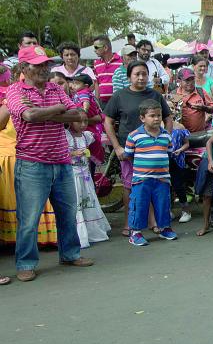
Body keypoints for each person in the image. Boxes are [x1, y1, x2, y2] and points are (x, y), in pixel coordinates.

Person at [5, 45, 93, 281]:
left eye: (45, 64)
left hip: (62, 160)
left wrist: (45, 111)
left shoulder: (55, 87)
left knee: (67, 213)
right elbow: (29, 116)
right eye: (38, 64)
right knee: (29, 218)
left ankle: (70, 254)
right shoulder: (14, 90)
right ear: (24, 67)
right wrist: (58, 108)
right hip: (32, 163)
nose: (44, 68)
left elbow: (78, 115)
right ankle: (25, 264)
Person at [104, 60, 173, 237]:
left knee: (154, 185)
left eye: (144, 73)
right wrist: (117, 147)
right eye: (137, 74)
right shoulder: (119, 96)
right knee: (131, 186)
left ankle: (153, 222)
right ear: (129, 77)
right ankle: (130, 222)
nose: (141, 77)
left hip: (153, 149)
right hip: (129, 150)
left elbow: (168, 118)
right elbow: (108, 122)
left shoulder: (155, 95)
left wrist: (166, 139)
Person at [0, 86, 58, 254]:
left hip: (44, 155)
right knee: (27, 210)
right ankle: (25, 258)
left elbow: (76, 116)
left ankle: (46, 242)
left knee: (36, 206)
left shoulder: (50, 98)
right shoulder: (9, 104)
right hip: (14, 157)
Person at [123, 100, 177, 246]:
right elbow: (128, 155)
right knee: (139, 205)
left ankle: (165, 228)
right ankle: (135, 233)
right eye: (152, 116)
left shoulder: (166, 135)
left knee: (163, 204)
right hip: (141, 179)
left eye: (159, 115)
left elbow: (169, 152)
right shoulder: (134, 136)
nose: (156, 119)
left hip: (162, 179)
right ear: (142, 118)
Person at [66, 117, 111, 247]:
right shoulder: (66, 136)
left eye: (85, 121)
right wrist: (73, 153)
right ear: (70, 121)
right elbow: (61, 153)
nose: (83, 124)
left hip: (85, 176)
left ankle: (92, 231)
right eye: (79, 121)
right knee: (77, 203)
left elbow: (96, 146)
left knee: (88, 202)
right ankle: (79, 235)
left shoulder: (87, 136)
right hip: (74, 177)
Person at [68, 73, 105, 167]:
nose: (73, 85)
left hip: (87, 118)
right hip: (88, 121)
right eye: (73, 83)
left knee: (91, 139)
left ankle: (96, 158)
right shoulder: (82, 92)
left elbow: (86, 103)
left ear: (85, 86)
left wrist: (83, 113)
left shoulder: (83, 92)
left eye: (76, 83)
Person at [169, 68, 213, 133]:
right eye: (187, 80)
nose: (190, 83)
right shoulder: (174, 94)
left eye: (192, 79)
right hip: (180, 134)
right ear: (179, 81)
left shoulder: (201, 91)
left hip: (199, 134)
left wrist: (204, 108)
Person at [92, 35, 122, 105]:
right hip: (103, 104)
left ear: (105, 47)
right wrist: (97, 101)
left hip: (119, 102)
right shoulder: (96, 63)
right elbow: (97, 83)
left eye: (96, 47)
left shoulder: (121, 61)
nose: (94, 50)